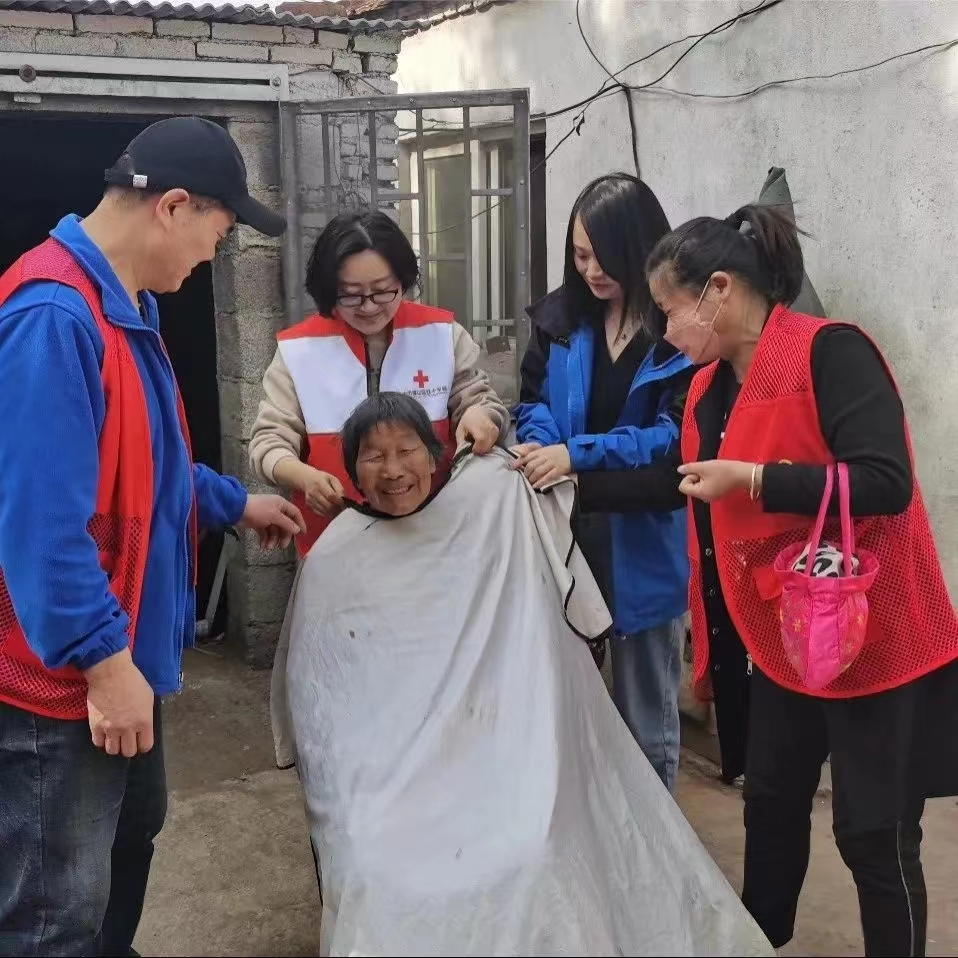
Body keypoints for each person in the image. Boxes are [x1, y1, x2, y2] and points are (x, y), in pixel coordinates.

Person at [276, 391, 773, 957]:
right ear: (351, 468)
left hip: (491, 751)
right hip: (385, 772)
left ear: (435, 453)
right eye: (373, 456)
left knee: (532, 842)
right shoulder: (337, 557)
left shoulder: (486, 507)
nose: (392, 471)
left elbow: (504, 427)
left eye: (406, 450)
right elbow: (323, 700)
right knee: (374, 862)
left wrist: (491, 421)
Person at [0, 116, 306, 957]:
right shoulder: (54, 317)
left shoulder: (127, 306)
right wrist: (104, 666)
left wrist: (232, 503)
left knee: (130, 834)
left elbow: (148, 461)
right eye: (220, 232)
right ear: (172, 206)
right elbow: (41, 527)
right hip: (61, 680)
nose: (215, 254)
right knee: (52, 908)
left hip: (125, 654)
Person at [646, 203, 958, 956]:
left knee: (873, 831)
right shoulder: (709, 389)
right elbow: (693, 495)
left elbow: (885, 481)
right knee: (771, 804)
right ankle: (762, 941)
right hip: (785, 634)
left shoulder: (831, 352)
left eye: (671, 308)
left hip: (873, 630)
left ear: (719, 289)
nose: (667, 330)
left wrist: (756, 478)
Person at [512, 173, 693, 790]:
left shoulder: (678, 334)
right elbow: (532, 400)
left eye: (603, 256)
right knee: (568, 704)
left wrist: (575, 456)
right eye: (579, 255)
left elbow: (671, 439)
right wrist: (543, 444)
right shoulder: (563, 319)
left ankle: (653, 833)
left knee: (646, 718)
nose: (590, 270)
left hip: (642, 540)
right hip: (565, 533)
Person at [249, 210, 508, 557]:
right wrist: (302, 477)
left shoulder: (441, 335)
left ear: (403, 279)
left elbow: (480, 401)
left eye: (383, 291)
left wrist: (480, 415)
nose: (369, 307)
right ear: (329, 290)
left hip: (439, 538)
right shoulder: (300, 350)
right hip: (337, 542)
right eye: (351, 295)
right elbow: (268, 442)